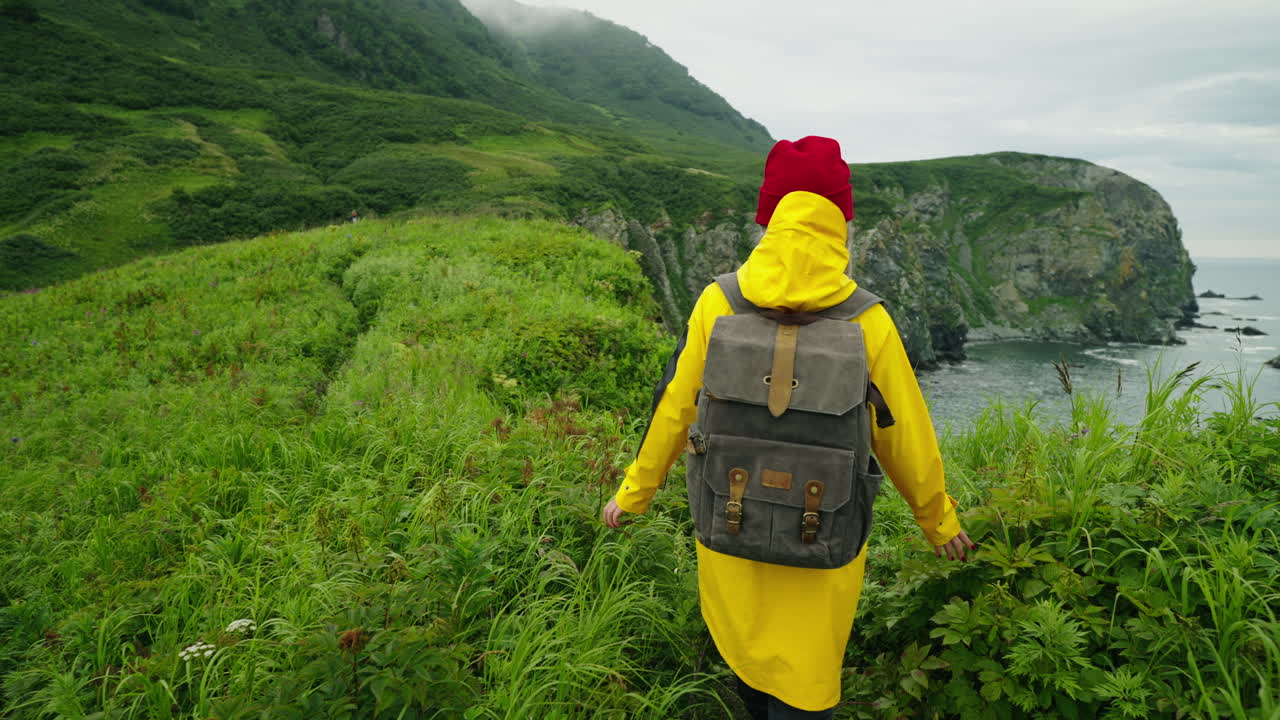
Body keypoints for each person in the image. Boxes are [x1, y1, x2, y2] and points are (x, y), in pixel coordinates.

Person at [601, 136, 975, 719]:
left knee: (747, 660)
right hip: (820, 537)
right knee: (806, 683)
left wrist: (635, 493)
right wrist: (938, 519)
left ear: (769, 216)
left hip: (732, 524)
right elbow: (903, 434)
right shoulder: (868, 320)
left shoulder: (717, 302)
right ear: (840, 220)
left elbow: (675, 408)